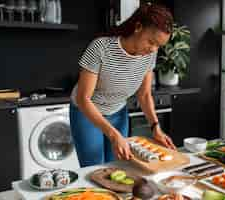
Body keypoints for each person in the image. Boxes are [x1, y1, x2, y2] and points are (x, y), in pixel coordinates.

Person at [69, 3, 177, 167]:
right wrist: (114, 134)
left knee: (118, 165)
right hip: (87, 114)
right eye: (151, 42)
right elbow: (83, 99)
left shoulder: (149, 56)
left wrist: (155, 127)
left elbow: (144, 95)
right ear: (138, 27)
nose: (153, 49)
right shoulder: (100, 48)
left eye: (158, 46)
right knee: (94, 167)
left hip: (118, 112)